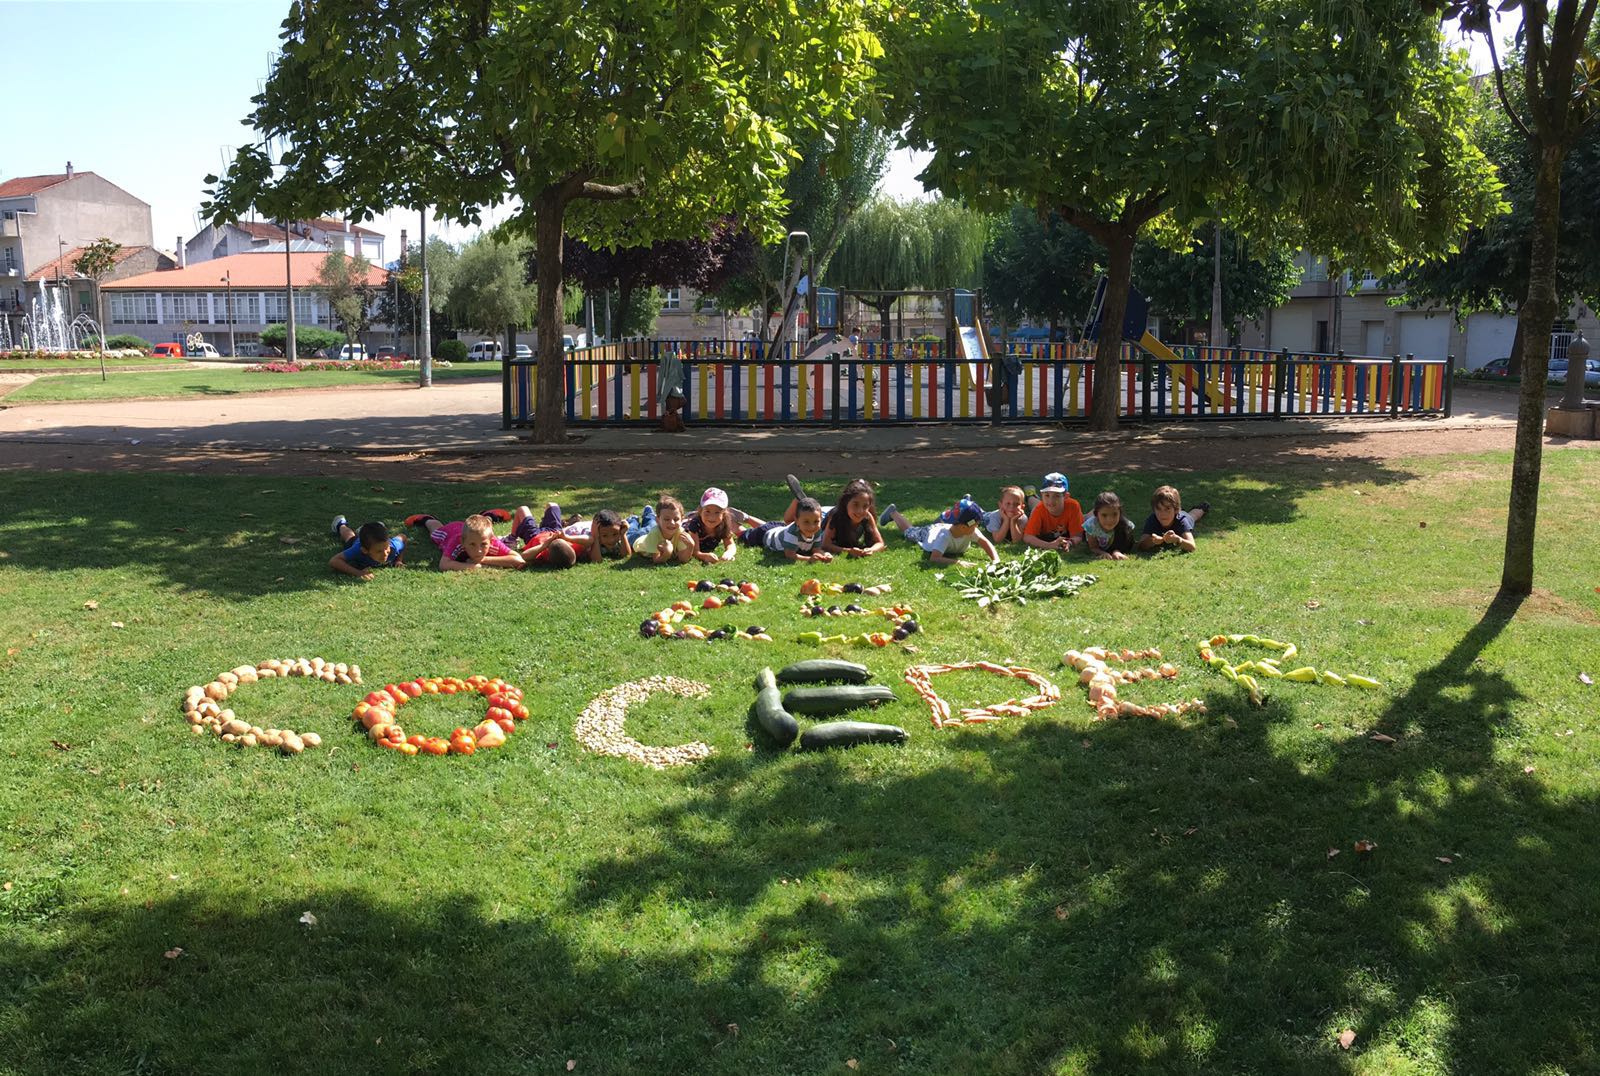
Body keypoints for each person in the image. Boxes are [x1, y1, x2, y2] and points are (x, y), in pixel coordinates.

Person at [784, 474, 886, 557]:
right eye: (855, 504)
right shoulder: (836, 516)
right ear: (846, 502)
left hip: (829, 511)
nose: (860, 511)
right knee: (790, 522)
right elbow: (825, 545)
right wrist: (848, 551)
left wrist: (871, 550)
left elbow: (880, 543)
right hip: (823, 515)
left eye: (865, 506)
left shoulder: (867, 516)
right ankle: (800, 500)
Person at [879, 498, 999, 566]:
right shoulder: (944, 537)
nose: (977, 527)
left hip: (945, 525)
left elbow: (985, 542)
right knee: (910, 532)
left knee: (949, 522)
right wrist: (959, 562)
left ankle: (964, 505)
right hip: (929, 533)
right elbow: (934, 558)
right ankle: (893, 513)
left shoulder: (970, 530)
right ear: (963, 527)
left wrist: (996, 560)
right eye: (976, 524)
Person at [405, 512, 525, 571]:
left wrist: (484, 559)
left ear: (490, 540)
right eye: (472, 544)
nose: (478, 550)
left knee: (484, 527)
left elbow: (519, 560)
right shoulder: (456, 542)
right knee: (435, 532)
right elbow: (443, 564)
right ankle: (427, 518)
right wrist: (475, 566)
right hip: (450, 531)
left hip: (473, 531)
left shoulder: (492, 541)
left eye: (483, 544)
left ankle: (489, 516)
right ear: (463, 542)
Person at [740, 496, 833, 562]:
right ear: (796, 520)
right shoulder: (793, 533)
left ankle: (747, 518)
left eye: (816, 522)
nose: (812, 526)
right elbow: (790, 555)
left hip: (779, 529)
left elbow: (816, 549)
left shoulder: (817, 531)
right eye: (806, 522)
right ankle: (733, 520)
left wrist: (824, 555)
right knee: (743, 534)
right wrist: (809, 559)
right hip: (762, 535)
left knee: (767, 526)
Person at [685, 487, 763, 564]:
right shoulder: (695, 524)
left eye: (717, 512)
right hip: (685, 524)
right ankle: (689, 515)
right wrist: (703, 556)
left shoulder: (724, 523)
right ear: (700, 510)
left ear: (724, 514)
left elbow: (730, 544)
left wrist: (729, 553)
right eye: (707, 511)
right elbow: (694, 551)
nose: (712, 517)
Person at [1024, 471, 1084, 552]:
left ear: (1066, 496)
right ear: (1042, 495)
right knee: (1035, 505)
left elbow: (1078, 535)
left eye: (1057, 496)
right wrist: (1049, 545)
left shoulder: (1073, 506)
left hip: (1048, 508)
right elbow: (1027, 537)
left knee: (1085, 519)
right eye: (1047, 495)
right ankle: (1030, 495)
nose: (1051, 500)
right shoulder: (1039, 509)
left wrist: (1070, 543)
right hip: (1040, 507)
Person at [1138, 486, 1210, 553]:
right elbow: (1141, 545)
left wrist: (1178, 540)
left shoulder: (1182, 520)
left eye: (1167, 509)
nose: (1163, 514)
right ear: (1154, 510)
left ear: (1175, 509)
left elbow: (1192, 546)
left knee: (1193, 516)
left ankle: (1202, 508)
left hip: (1186, 517)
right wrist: (1152, 541)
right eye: (1159, 509)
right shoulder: (1152, 519)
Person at [328, 516, 404, 580]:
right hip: (357, 542)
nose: (385, 554)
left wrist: (398, 560)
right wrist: (359, 573)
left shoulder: (392, 547)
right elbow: (334, 561)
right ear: (365, 551)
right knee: (350, 537)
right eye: (379, 551)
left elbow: (403, 537)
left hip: (375, 541)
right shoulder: (357, 550)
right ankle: (341, 525)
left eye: (387, 549)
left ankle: (372, 528)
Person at [509, 503, 581, 570]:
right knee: (552, 505)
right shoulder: (573, 550)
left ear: (548, 551)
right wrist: (566, 537)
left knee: (522, 509)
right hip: (554, 530)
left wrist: (544, 545)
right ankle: (563, 524)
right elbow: (589, 540)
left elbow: (523, 556)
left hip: (535, 536)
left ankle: (512, 539)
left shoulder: (543, 555)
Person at [632, 494, 697, 564]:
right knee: (633, 530)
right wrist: (667, 554)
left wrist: (691, 546)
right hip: (638, 541)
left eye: (676, 519)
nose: (672, 523)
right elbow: (656, 560)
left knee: (649, 525)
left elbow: (683, 559)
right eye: (666, 519)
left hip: (654, 530)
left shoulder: (680, 532)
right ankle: (633, 519)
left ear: (682, 519)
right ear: (657, 520)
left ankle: (649, 513)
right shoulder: (654, 533)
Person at [1082, 492, 1137, 560]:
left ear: (1120, 513)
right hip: (1088, 519)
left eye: (1115, 514)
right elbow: (1093, 547)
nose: (1110, 520)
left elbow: (1128, 544)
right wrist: (1102, 553)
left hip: (1117, 544)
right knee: (1084, 518)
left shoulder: (1126, 526)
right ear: (1096, 514)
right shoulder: (1091, 526)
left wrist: (1117, 551)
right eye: (1104, 515)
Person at [562, 508, 632, 562]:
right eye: (604, 536)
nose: (611, 540)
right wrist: (595, 537)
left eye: (615, 534)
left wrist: (623, 534)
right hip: (577, 529)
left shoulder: (618, 535)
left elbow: (627, 555)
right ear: (597, 532)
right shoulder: (590, 537)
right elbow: (596, 560)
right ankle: (570, 522)